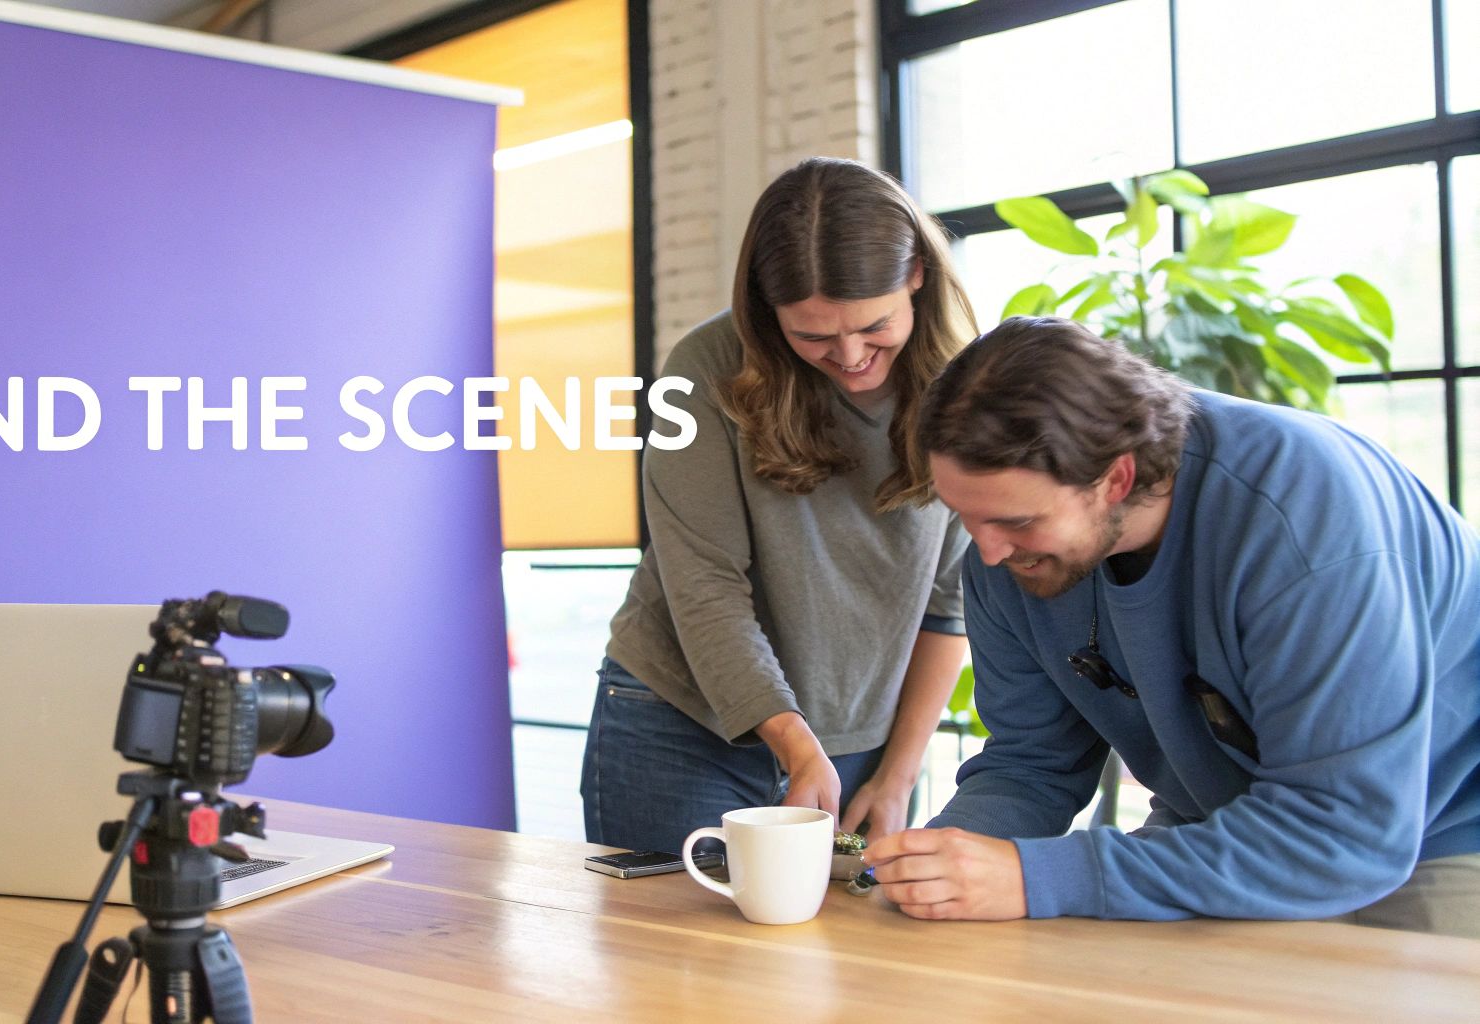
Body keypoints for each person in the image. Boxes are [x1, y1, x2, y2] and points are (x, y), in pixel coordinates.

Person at [862, 316, 1480, 937]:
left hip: (1439, 828)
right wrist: (931, 865)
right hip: (1226, 825)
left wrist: (1032, 875)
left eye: (1017, 522)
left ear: (1118, 479)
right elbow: (1031, 765)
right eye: (967, 515)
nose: (988, 552)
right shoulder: (1004, 560)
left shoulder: (1301, 523)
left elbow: (1342, 836)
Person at [580, 157, 978, 856]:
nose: (851, 355)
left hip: (861, 740)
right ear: (768, 311)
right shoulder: (706, 369)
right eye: (814, 336)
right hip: (681, 723)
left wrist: (897, 774)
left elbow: (950, 607)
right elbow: (706, 587)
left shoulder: (967, 382)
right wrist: (794, 745)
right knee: (677, 962)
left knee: (842, 961)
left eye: (876, 325)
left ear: (917, 271)